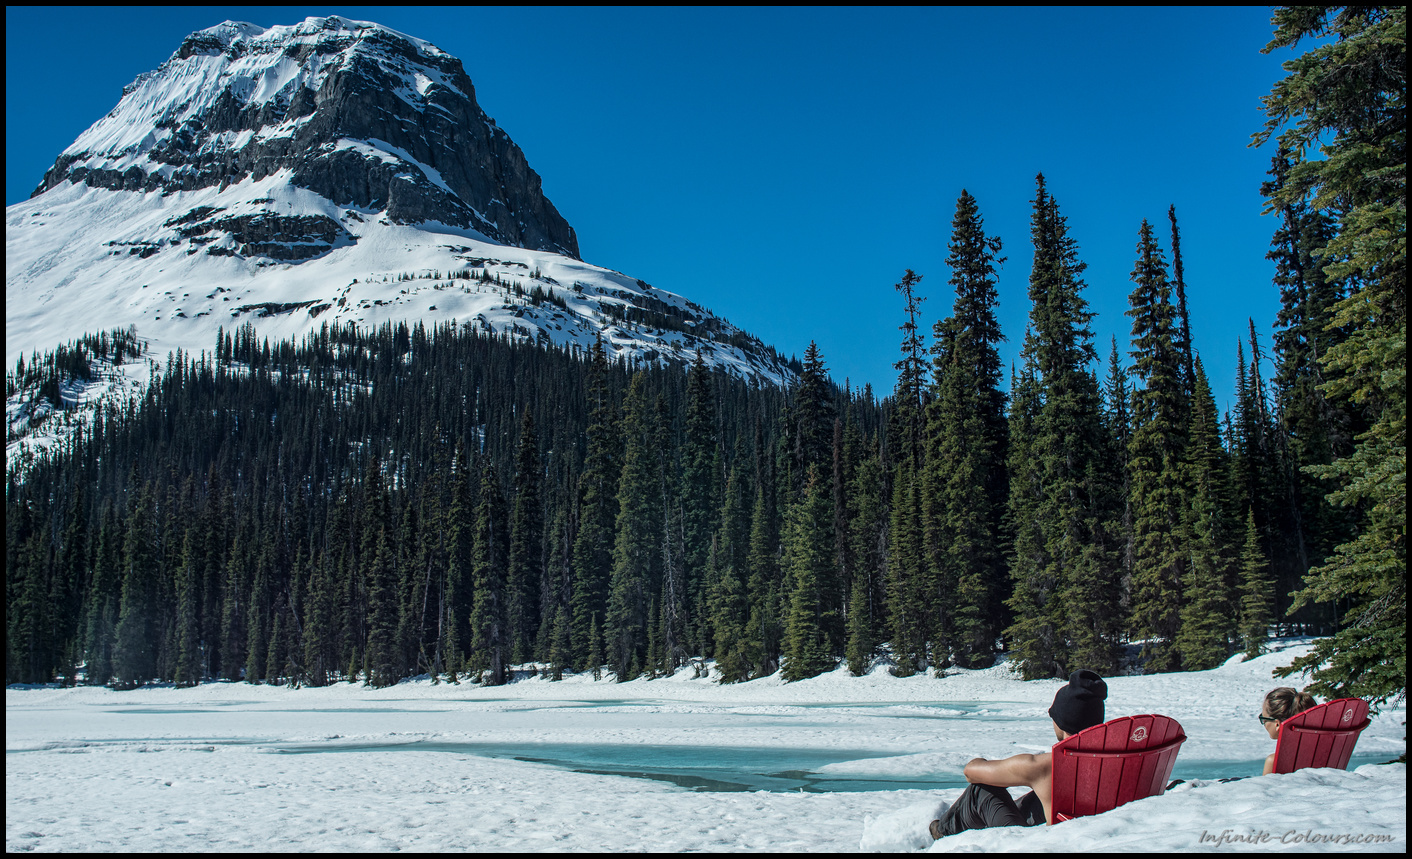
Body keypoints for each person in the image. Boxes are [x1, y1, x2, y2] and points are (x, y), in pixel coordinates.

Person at [929, 669, 1108, 840]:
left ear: (1061, 722)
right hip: (1092, 836)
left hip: (1050, 844)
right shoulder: (1119, 762)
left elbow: (971, 772)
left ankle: (941, 833)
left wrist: (980, 761)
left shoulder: (1045, 766)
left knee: (980, 791)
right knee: (1034, 799)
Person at [1259, 686, 1317, 775]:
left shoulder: (1274, 761)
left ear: (1277, 724)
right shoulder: (1322, 755)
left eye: (1263, 719)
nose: (1264, 724)